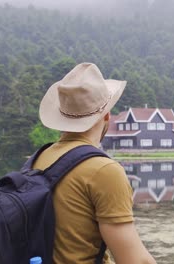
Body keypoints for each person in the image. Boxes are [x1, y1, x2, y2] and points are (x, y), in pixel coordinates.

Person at [33, 62, 156, 264]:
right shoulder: (104, 171)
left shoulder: (37, 158)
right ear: (107, 115)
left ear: (61, 117)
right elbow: (134, 261)